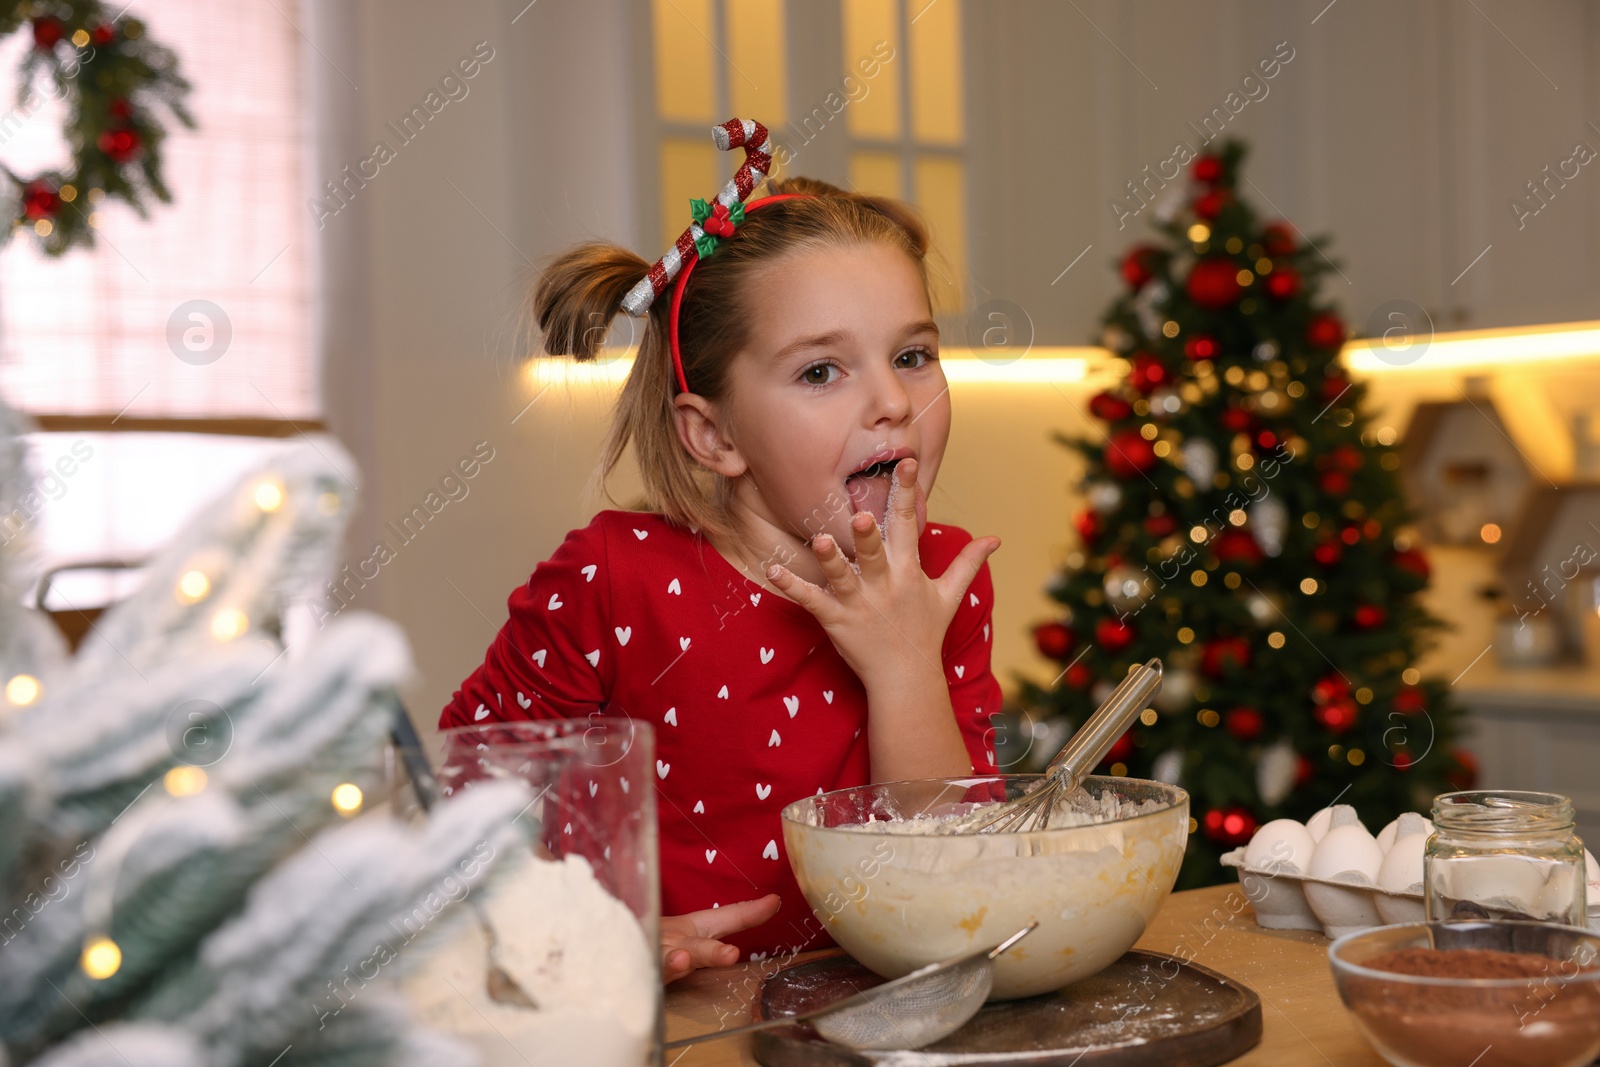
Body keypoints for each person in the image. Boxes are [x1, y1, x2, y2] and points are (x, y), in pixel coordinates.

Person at [440, 120, 1002, 984]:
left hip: (871, 1017)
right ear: (714, 434)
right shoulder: (613, 579)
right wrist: (598, 934)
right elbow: (461, 825)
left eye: (914, 355)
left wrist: (903, 662)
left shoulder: (946, 577)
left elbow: (954, 885)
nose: (894, 400)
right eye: (822, 371)